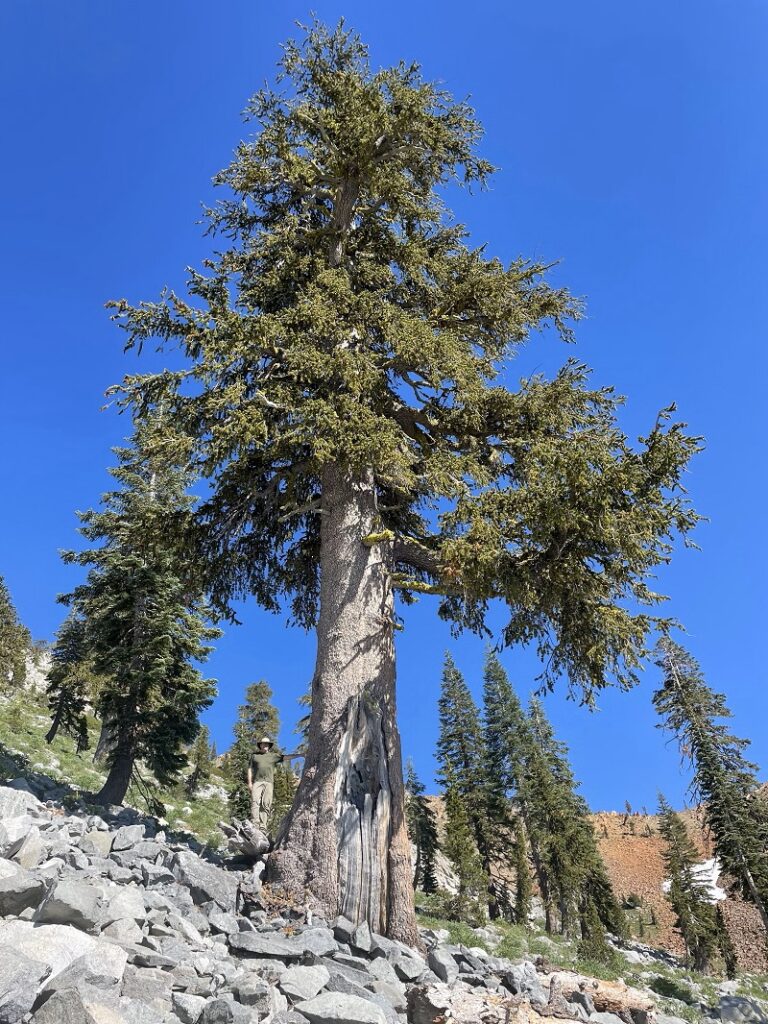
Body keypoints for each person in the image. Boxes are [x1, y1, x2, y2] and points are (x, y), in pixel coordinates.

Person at [248, 736, 301, 833]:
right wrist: (250, 783)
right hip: (257, 782)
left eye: (267, 744)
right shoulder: (254, 756)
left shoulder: (273, 756)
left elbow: (285, 757)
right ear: (260, 745)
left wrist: (300, 755)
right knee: (255, 802)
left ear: (269, 746)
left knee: (266, 804)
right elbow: (249, 769)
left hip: (269, 783)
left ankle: (263, 827)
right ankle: (255, 824)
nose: (265, 745)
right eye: (263, 744)